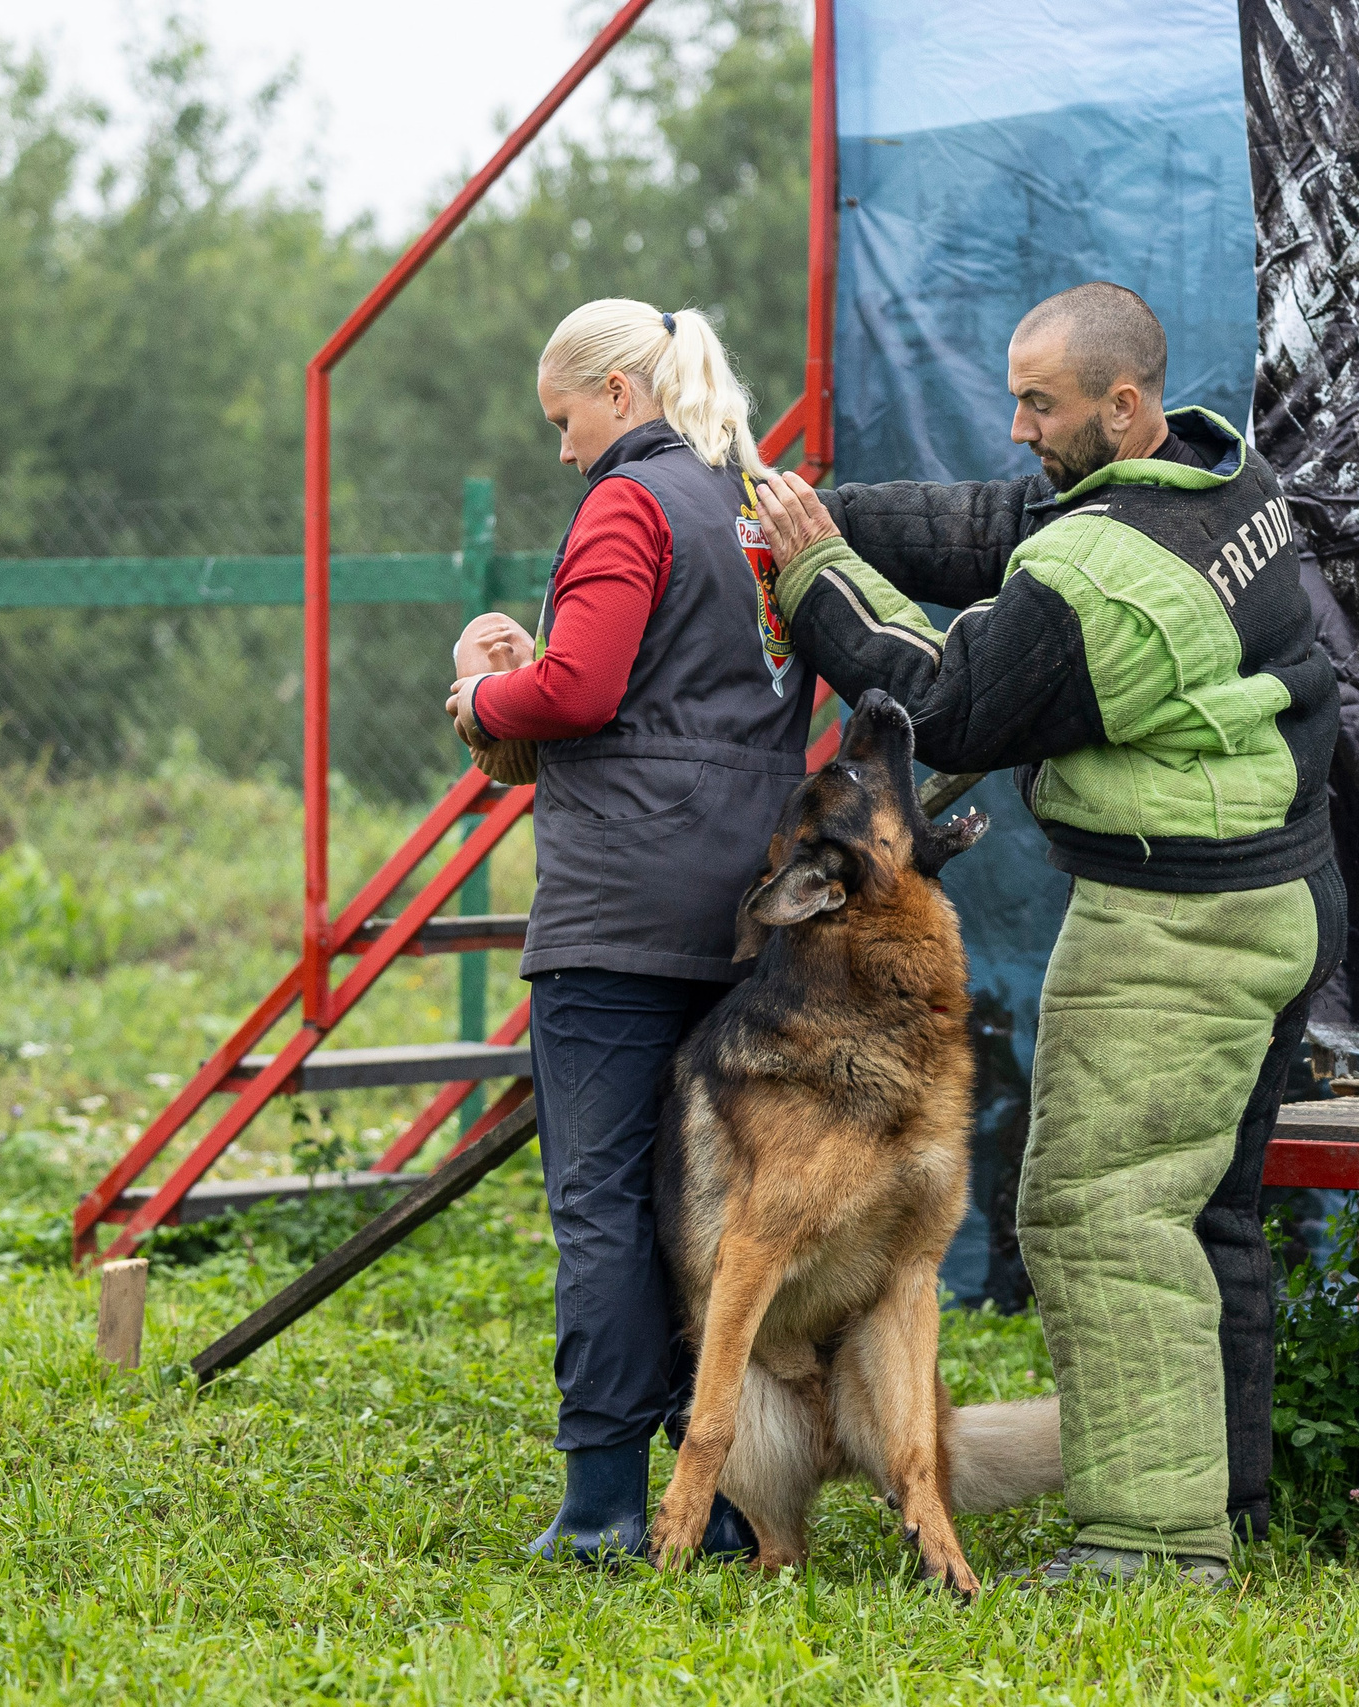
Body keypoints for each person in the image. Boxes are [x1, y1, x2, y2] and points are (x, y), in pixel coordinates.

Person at [752, 282, 1346, 1586]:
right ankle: (1225, 1510)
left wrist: (810, 576)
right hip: (1291, 891)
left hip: (1182, 922)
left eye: (1040, 402)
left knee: (1097, 1208)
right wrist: (835, 518)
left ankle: (1149, 1542)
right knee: (1207, 1213)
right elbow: (1003, 529)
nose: (1017, 425)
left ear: (1118, 404)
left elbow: (950, 703)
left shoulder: (1104, 588)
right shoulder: (1211, 475)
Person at [447, 297, 808, 1565]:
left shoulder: (629, 500)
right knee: (694, 1204)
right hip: (743, 910)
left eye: (565, 419)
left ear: (618, 391)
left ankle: (603, 1507)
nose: (563, 451)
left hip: (616, 914)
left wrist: (485, 684)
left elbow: (581, 690)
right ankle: (706, 1502)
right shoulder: (761, 504)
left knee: (598, 1200)